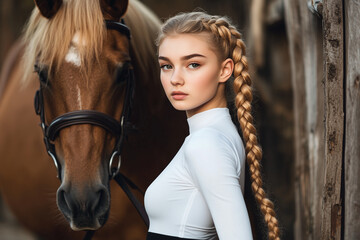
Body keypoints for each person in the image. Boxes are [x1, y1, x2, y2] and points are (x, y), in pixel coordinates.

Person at [144, 11, 280, 240]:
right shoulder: (215, 136)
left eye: (193, 64)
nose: (175, 78)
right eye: (166, 66)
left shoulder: (206, 143)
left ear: (225, 70)